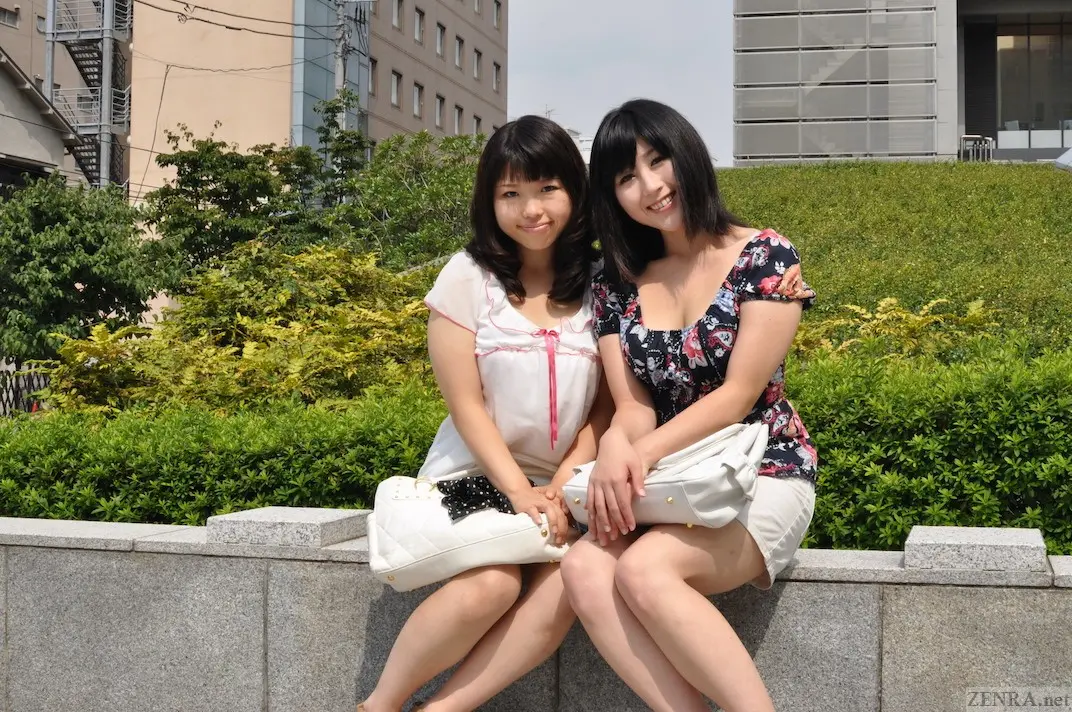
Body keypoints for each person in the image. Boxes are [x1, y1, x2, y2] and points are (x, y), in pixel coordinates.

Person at [559, 99, 817, 712]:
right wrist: (616, 446)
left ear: (688, 153)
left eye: (658, 160)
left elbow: (737, 397)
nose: (650, 186)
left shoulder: (765, 257)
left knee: (644, 569)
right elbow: (633, 405)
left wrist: (637, 453)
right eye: (626, 177)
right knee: (584, 570)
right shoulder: (616, 279)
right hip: (669, 478)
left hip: (762, 469)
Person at [358, 116, 611, 712]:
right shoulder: (467, 277)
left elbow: (607, 405)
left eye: (547, 189)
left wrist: (563, 484)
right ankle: (380, 705)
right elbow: (465, 404)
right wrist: (521, 491)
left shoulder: (604, 282)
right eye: (510, 193)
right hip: (475, 473)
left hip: (570, 484)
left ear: (575, 192)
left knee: (568, 584)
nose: (531, 210)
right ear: (489, 201)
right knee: (491, 586)